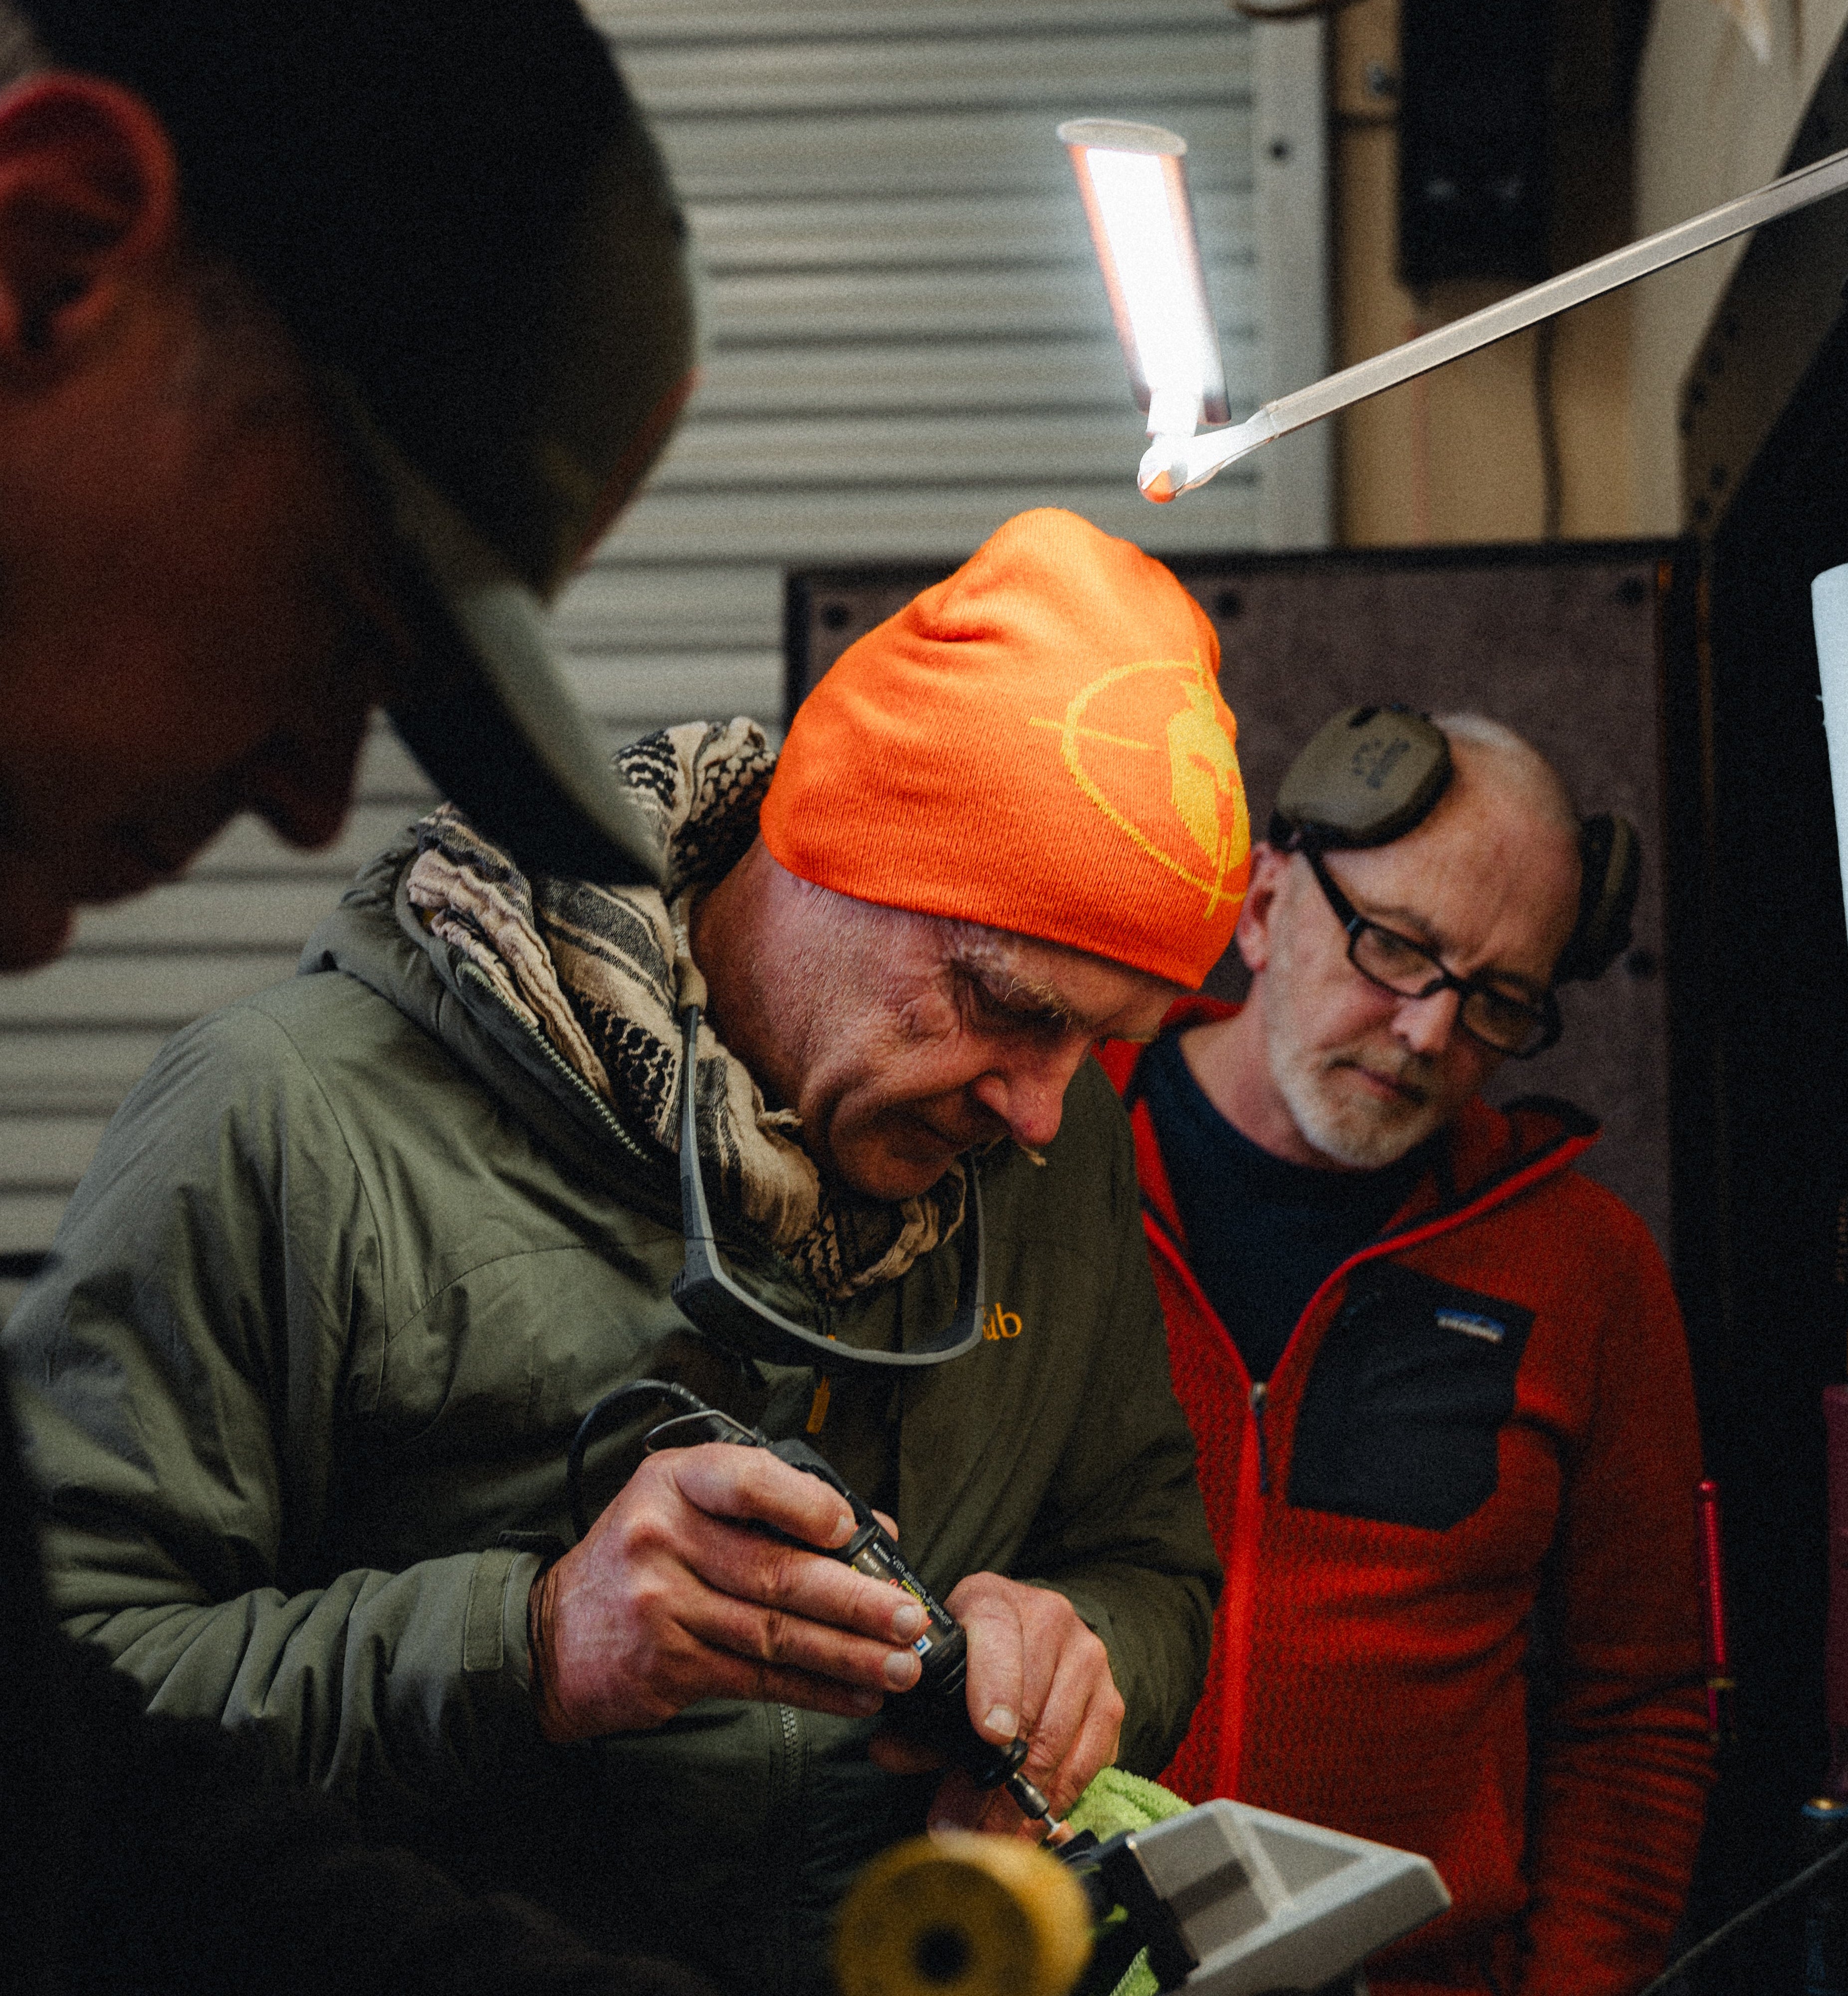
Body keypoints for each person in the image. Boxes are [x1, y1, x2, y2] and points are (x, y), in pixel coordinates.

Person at [7, 507, 1238, 1996]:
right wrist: (531, 1644)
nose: (1041, 1111)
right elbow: (58, 1718)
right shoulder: (288, 1124)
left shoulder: (1036, 1143)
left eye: (1102, 1041)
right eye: (1011, 1007)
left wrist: (1081, 1653)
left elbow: (1146, 1554)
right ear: (825, 860)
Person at [0, 1, 758, 1988]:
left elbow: (62, 1801)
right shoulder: (268, 1118)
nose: (312, 799)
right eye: (339, 613)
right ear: (52, 258)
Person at [1095, 707, 1714, 1996]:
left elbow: (1637, 1715)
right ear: (1266, 904)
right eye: (1395, 947)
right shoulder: (1042, 1162)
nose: (1431, 1032)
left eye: (1499, 1001)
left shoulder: (1584, 1269)